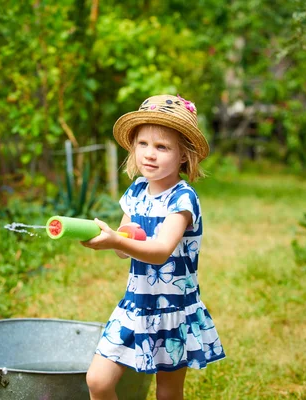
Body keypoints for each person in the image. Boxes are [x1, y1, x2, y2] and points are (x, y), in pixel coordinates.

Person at [81, 94, 225, 400]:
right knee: (97, 380)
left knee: (167, 395)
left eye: (162, 147)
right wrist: (112, 239)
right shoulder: (135, 192)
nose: (150, 154)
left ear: (184, 155)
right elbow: (124, 247)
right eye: (143, 144)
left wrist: (117, 240)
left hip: (172, 309)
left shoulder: (182, 200)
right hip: (135, 305)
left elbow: (161, 251)